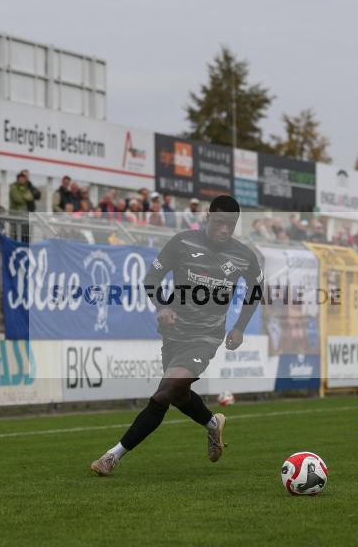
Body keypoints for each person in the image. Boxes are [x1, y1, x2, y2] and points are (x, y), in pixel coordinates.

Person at [90, 195, 264, 476]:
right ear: (208, 217)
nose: (224, 230)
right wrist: (162, 306)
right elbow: (151, 280)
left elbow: (256, 289)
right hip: (174, 333)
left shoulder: (243, 256)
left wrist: (239, 327)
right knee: (179, 394)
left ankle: (113, 455)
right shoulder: (182, 242)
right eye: (219, 223)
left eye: (230, 225)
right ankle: (211, 423)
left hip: (206, 337)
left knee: (164, 393)